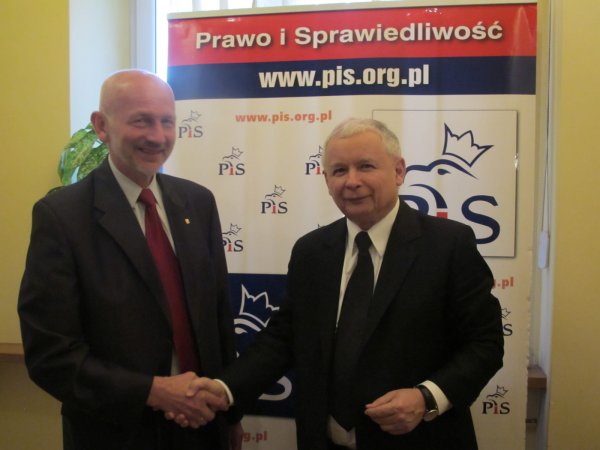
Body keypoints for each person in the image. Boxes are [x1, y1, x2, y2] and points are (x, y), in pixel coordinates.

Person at [186, 117, 504, 450]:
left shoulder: (448, 245)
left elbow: (485, 344)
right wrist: (225, 389)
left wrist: (427, 397)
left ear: (398, 171)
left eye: (365, 166)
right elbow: (283, 339)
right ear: (326, 180)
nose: (352, 182)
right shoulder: (311, 251)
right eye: (339, 170)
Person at [18, 69, 242, 450]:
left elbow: (219, 320)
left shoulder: (199, 203)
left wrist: (231, 416)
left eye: (167, 121)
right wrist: (154, 392)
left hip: (203, 429)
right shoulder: (62, 217)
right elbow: (50, 355)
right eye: (141, 121)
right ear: (101, 126)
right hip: (116, 434)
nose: (157, 136)